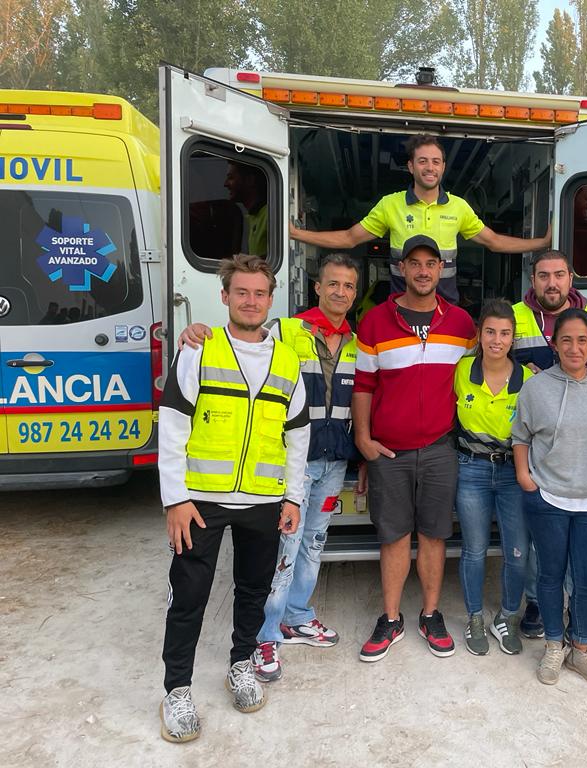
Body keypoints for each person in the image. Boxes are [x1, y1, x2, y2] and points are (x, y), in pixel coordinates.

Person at [177, 253, 362, 681]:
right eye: (332, 284)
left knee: (314, 545)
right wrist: (194, 330)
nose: (340, 292)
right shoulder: (286, 329)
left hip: (333, 460)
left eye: (348, 286)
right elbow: (240, 342)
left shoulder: (355, 340)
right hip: (288, 463)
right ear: (316, 287)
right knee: (283, 552)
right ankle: (264, 634)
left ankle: (297, 615)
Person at [157, 254, 309, 743]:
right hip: (201, 501)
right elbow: (173, 427)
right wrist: (175, 499)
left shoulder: (287, 360)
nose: (250, 301)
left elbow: (298, 435)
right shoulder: (199, 349)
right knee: (190, 596)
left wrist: (293, 498)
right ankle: (176, 689)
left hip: (264, 501)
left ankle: (241, 664)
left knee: (253, 593)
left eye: (259, 293)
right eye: (240, 292)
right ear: (224, 296)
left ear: (271, 299)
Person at [354, 234, 476, 661]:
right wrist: (363, 440)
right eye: (415, 263)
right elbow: (364, 385)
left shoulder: (462, 324)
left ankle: (430, 613)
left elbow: (478, 375)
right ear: (401, 269)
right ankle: (390, 620)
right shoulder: (374, 322)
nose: (423, 271)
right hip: (390, 451)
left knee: (434, 535)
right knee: (393, 537)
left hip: (441, 448)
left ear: (441, 270)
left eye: (431, 263)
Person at [289, 134, 550, 303]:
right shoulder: (390, 204)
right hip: (400, 307)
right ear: (411, 166)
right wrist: (298, 234)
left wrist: (541, 243)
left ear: (443, 167)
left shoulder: (459, 207)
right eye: (423, 161)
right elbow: (349, 237)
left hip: (444, 308)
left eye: (436, 162)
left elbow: (494, 242)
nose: (430, 167)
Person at [512, 308, 587, 688]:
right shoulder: (536, 387)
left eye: (582, 340)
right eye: (566, 340)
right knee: (550, 575)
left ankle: (581, 648)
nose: (574, 348)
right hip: (548, 498)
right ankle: (553, 646)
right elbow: (521, 436)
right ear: (554, 344)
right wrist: (525, 477)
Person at [511, 248, 587, 639]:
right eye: (543, 276)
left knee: (581, 559)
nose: (551, 283)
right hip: (537, 456)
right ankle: (539, 605)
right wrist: (524, 474)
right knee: (540, 547)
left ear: (571, 278)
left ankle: (577, 618)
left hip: (584, 460)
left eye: (559, 275)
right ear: (533, 280)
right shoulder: (515, 318)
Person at [455, 300, 534, 655]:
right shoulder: (462, 370)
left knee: (516, 552)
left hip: (512, 472)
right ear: (479, 334)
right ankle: (474, 617)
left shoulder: (528, 379)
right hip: (471, 467)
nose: (497, 340)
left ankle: (508, 617)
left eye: (505, 333)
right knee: (474, 549)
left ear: (514, 337)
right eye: (490, 332)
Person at [224, 161, 268, 256]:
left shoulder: (270, 215)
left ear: (249, 180)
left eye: (231, 178)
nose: (225, 184)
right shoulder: (252, 215)